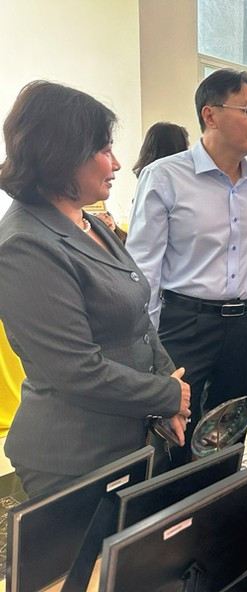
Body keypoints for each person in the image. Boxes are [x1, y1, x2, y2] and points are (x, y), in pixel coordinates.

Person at [0, 81, 190, 497]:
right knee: (91, 564)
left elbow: (139, 316)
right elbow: (74, 370)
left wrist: (165, 393)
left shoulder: (91, 224)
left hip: (127, 436)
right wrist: (166, 393)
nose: (118, 163)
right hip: (75, 455)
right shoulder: (25, 244)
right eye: (104, 150)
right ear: (61, 155)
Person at [127, 68, 247, 467]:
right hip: (185, 324)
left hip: (246, 326)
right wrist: (149, 340)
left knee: (233, 429)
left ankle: (224, 512)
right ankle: (173, 520)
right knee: (176, 430)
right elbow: (144, 266)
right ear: (209, 114)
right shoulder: (165, 177)